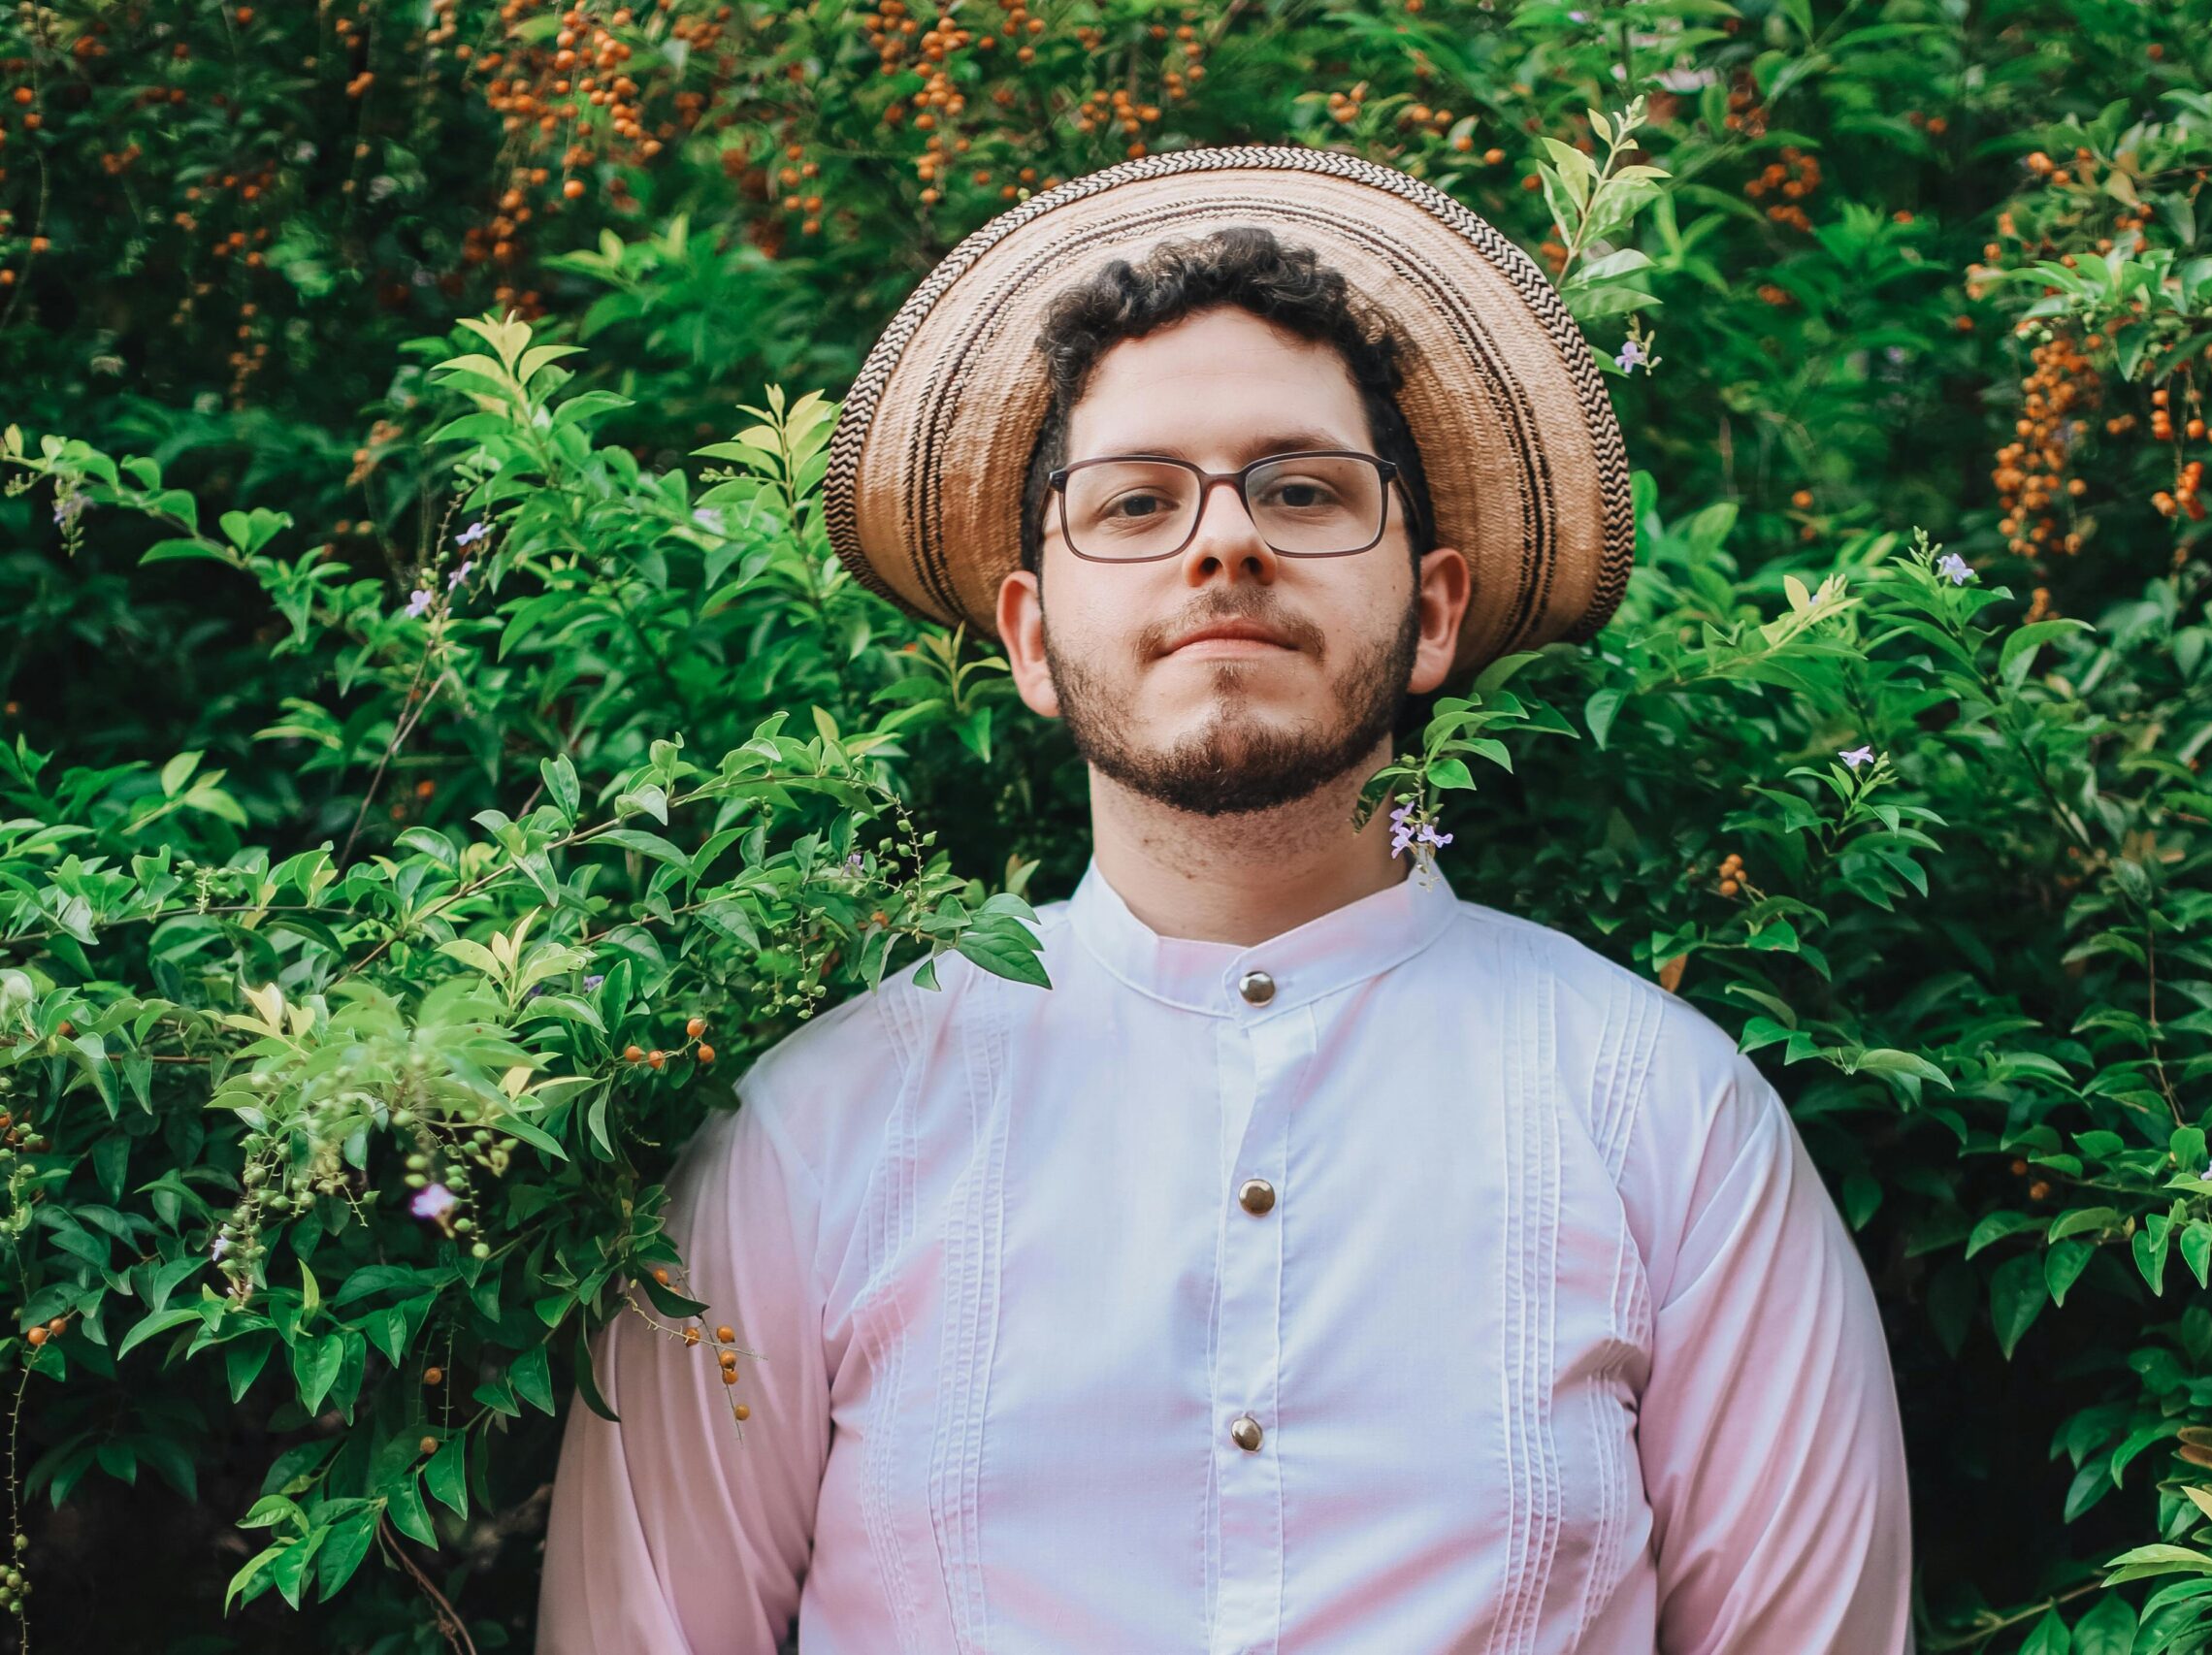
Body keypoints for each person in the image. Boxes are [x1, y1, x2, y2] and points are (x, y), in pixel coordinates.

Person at [540, 147, 1914, 1654]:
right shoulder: (807, 1140)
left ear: (1435, 609)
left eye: (1305, 488)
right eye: (1132, 504)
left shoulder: (1669, 1119)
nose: (1224, 539)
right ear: (1033, 638)